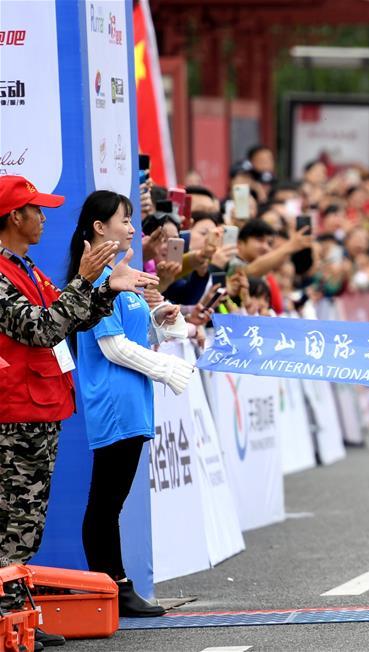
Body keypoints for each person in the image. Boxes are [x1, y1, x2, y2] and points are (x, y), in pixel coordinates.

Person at [0, 176, 157, 649]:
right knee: (12, 522)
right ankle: (8, 617)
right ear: (14, 217)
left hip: (39, 409)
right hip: (14, 413)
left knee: (25, 525)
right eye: (36, 211)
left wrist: (107, 290)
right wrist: (88, 282)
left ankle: (17, 616)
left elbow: (74, 316)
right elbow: (41, 328)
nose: (44, 219)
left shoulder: (26, 268)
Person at [65, 190, 195, 618]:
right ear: (99, 227)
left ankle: (112, 587)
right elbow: (113, 347)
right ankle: (114, 586)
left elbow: (135, 335)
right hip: (115, 398)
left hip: (133, 396)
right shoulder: (98, 280)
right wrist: (167, 370)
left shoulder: (122, 276)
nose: (132, 227)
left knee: (111, 498)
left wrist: (160, 320)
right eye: (125, 219)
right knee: (106, 500)